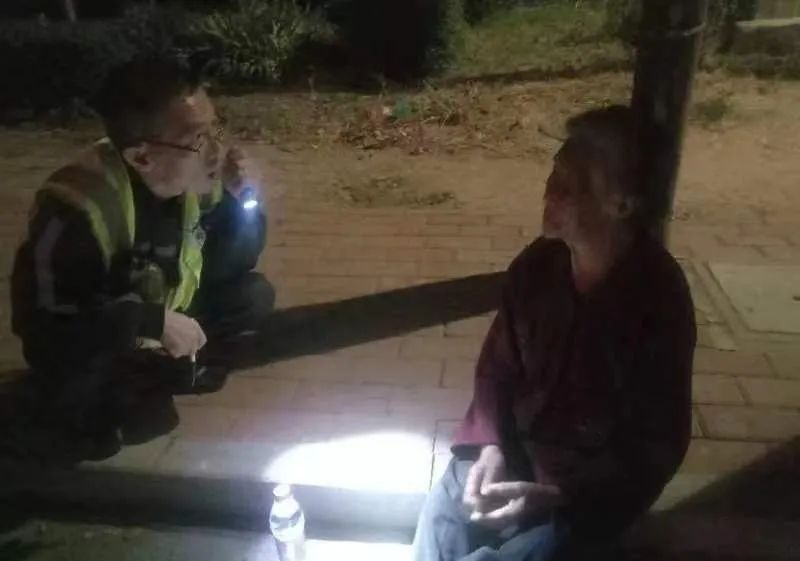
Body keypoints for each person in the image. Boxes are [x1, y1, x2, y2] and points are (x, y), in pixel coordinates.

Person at [412, 106, 696, 561]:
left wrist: (560, 493)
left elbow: (655, 444)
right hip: (515, 452)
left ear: (622, 204)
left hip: (584, 493)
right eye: (554, 172)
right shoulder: (537, 267)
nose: (549, 191)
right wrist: (489, 448)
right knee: (446, 510)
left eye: (572, 184)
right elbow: (497, 372)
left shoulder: (658, 299)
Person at [9, 57, 274, 459]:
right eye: (199, 139)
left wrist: (243, 204)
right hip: (93, 335)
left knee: (252, 294)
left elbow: (233, 266)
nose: (217, 151)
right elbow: (49, 329)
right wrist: (151, 322)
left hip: (151, 316)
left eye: (217, 129)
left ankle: (164, 372)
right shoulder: (76, 208)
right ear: (141, 157)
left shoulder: (192, 181)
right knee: (101, 422)